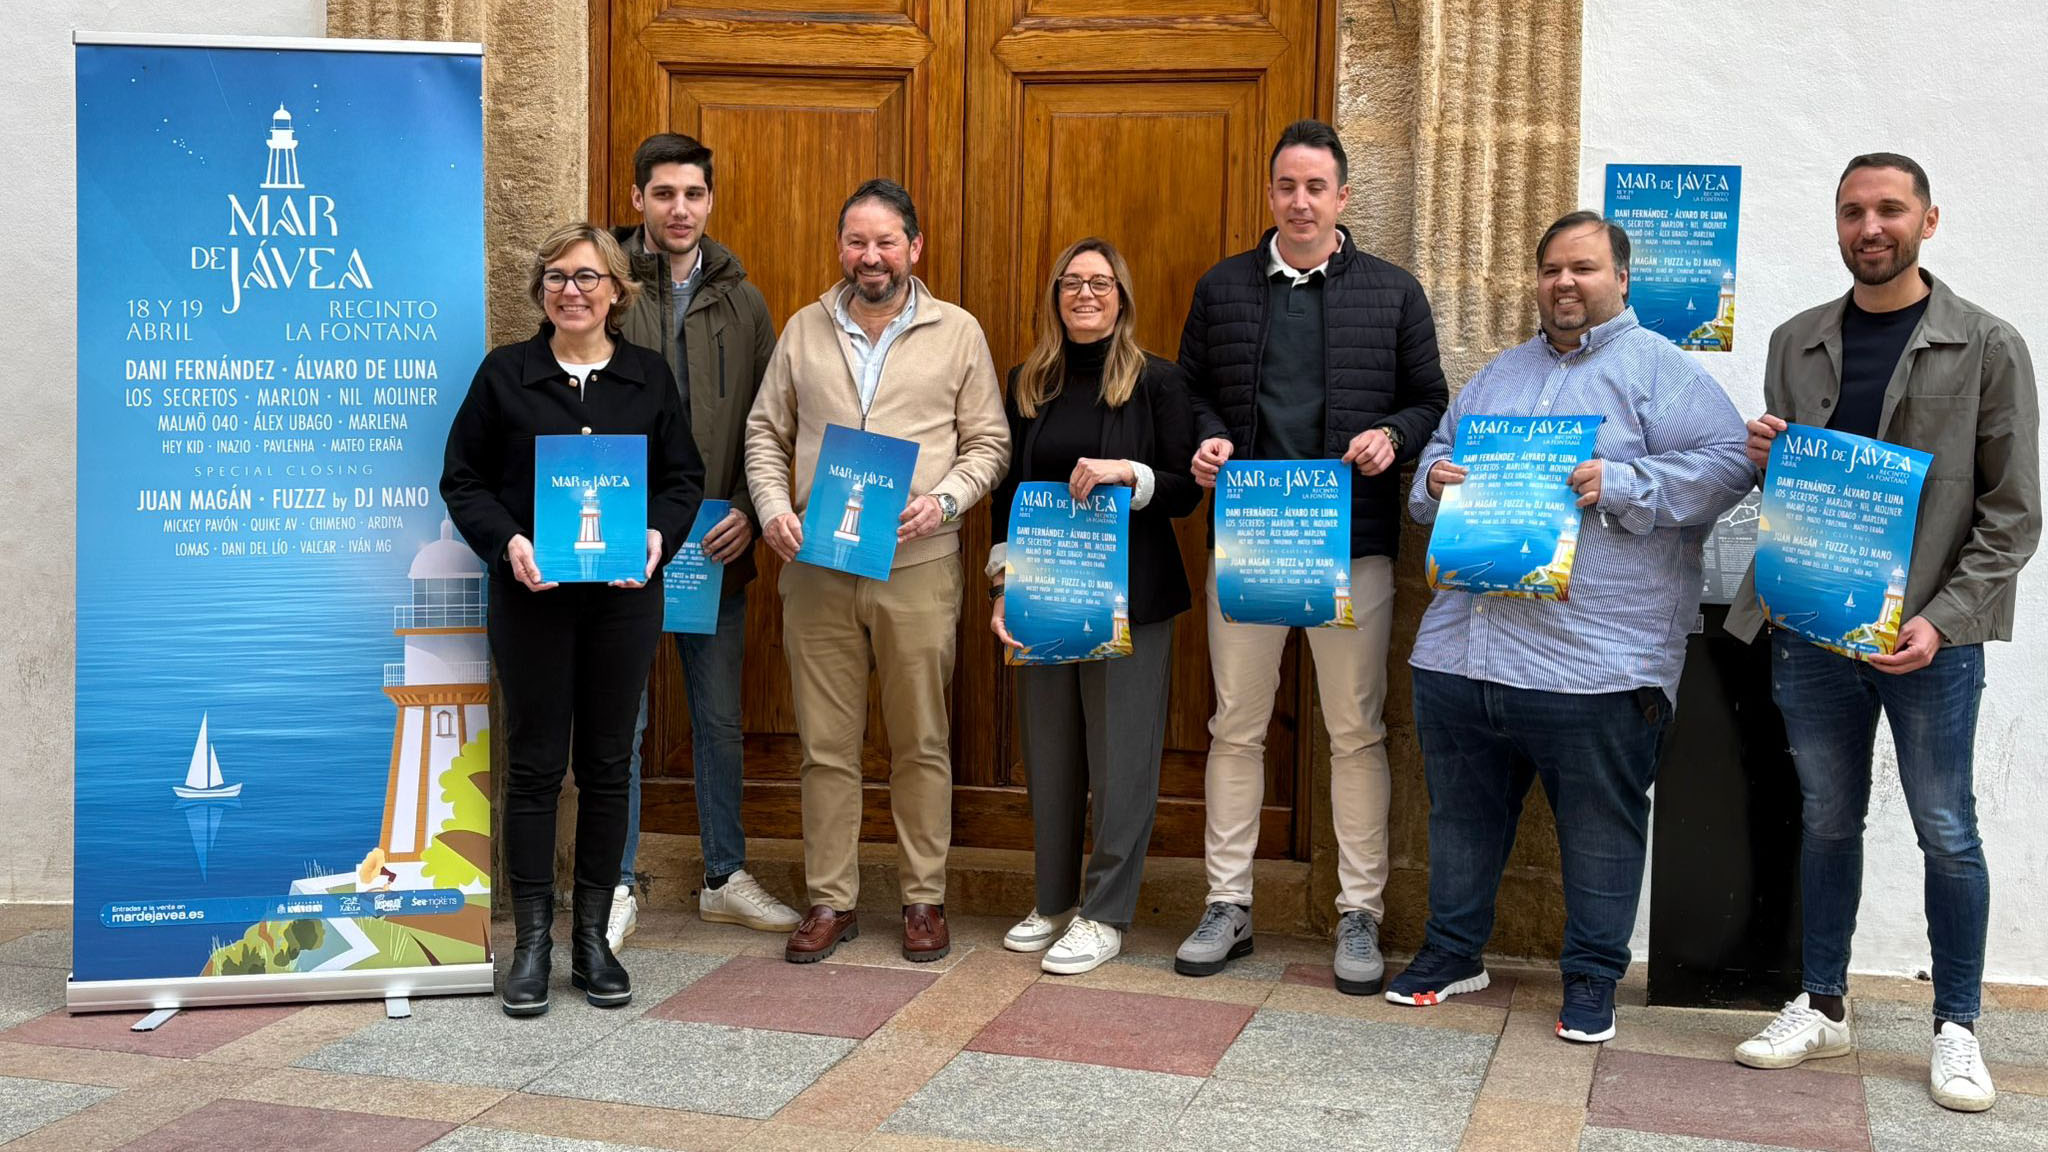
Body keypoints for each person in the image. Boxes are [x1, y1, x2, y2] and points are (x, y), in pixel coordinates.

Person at [1385, 211, 1753, 1043]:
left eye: (1582, 268)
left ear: (1621, 279)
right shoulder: (1497, 377)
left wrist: (1622, 480)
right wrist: (1436, 478)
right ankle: (1452, 952)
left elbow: (1729, 464)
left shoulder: (1663, 372)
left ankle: (1591, 979)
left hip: (1598, 662)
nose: (1564, 283)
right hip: (1463, 648)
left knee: (1601, 827)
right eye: (1552, 268)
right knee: (1461, 817)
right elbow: (1426, 475)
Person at [1728, 154, 2039, 1113]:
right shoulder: (1795, 340)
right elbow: (1805, 493)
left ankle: (1956, 1026)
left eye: (1890, 209)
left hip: (1929, 646)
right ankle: (1823, 1005)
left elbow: (2013, 513)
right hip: (1813, 631)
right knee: (1826, 820)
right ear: (1837, 224)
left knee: (1948, 829)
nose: (1872, 226)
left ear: (1928, 221)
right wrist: (1764, 461)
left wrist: (1943, 624)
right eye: (1854, 210)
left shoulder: (1987, 345)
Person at [1177, 119, 1447, 993]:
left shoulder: (1394, 292)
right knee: (1235, 728)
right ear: (1270, 194)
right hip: (1250, 540)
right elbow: (1191, 394)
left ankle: (1359, 915)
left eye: (1316, 188)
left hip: (1353, 543)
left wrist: (1391, 437)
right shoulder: (1221, 290)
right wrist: (1210, 442)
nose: (1301, 202)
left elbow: (1427, 398)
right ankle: (1228, 903)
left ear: (1342, 197)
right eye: (1287, 187)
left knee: (1355, 731)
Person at [441, 222, 705, 1016]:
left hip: (623, 601)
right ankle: (530, 945)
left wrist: (660, 533)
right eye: (557, 276)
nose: (572, 291)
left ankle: (591, 940)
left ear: (617, 291)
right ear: (541, 290)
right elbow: (464, 480)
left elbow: (684, 477)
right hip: (533, 600)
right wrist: (508, 542)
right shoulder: (504, 376)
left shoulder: (648, 378)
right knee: (531, 767)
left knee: (606, 766)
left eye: (589, 278)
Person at [744, 178, 1009, 964]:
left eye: (886, 241)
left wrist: (947, 501)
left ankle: (923, 898)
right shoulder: (801, 330)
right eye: (857, 241)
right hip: (818, 566)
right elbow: (765, 434)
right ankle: (832, 900)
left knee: (921, 740)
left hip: (917, 566)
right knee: (825, 744)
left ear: (914, 248)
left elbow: (988, 444)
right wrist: (770, 510)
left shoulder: (957, 332)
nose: (871, 256)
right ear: (840, 248)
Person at [988, 238, 1201, 975]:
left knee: (1121, 761)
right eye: (1072, 283)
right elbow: (1005, 497)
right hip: (1043, 594)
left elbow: (1184, 488)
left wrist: (1127, 472)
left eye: (1100, 283)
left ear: (1122, 297)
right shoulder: (1027, 383)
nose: (1085, 294)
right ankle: (1052, 901)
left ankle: (1105, 911)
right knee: (1049, 757)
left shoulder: (1158, 383)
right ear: (1055, 296)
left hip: (1131, 599)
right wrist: (999, 587)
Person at [607, 132, 797, 950]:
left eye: (693, 194)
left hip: (713, 542)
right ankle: (611, 882)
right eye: (663, 194)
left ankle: (724, 875)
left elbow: (768, 422)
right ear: (639, 199)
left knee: (718, 719)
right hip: (620, 540)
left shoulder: (742, 300)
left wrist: (753, 514)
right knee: (623, 718)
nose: (679, 209)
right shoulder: (603, 285)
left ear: (709, 201)